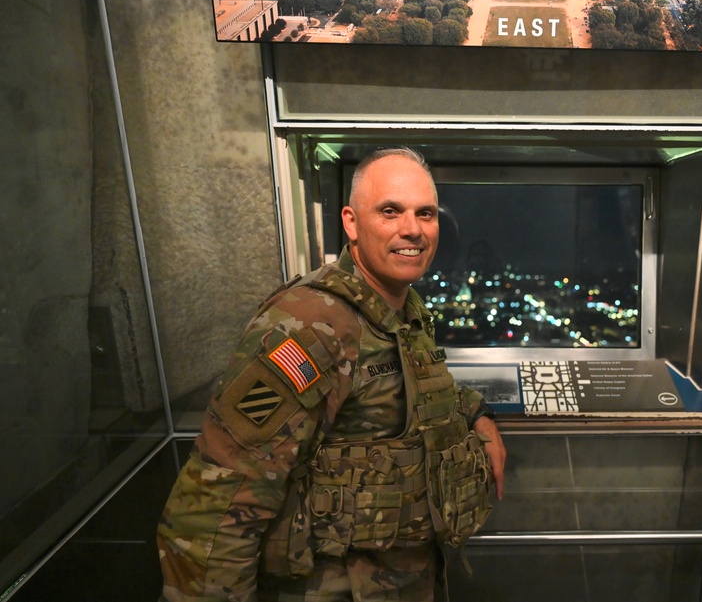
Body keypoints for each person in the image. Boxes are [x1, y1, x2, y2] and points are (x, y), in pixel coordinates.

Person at [158, 147, 506, 602]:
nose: (412, 229)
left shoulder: (399, 309)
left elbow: (407, 390)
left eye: (425, 213)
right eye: (390, 211)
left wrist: (477, 414)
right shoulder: (311, 324)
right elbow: (217, 500)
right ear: (351, 223)